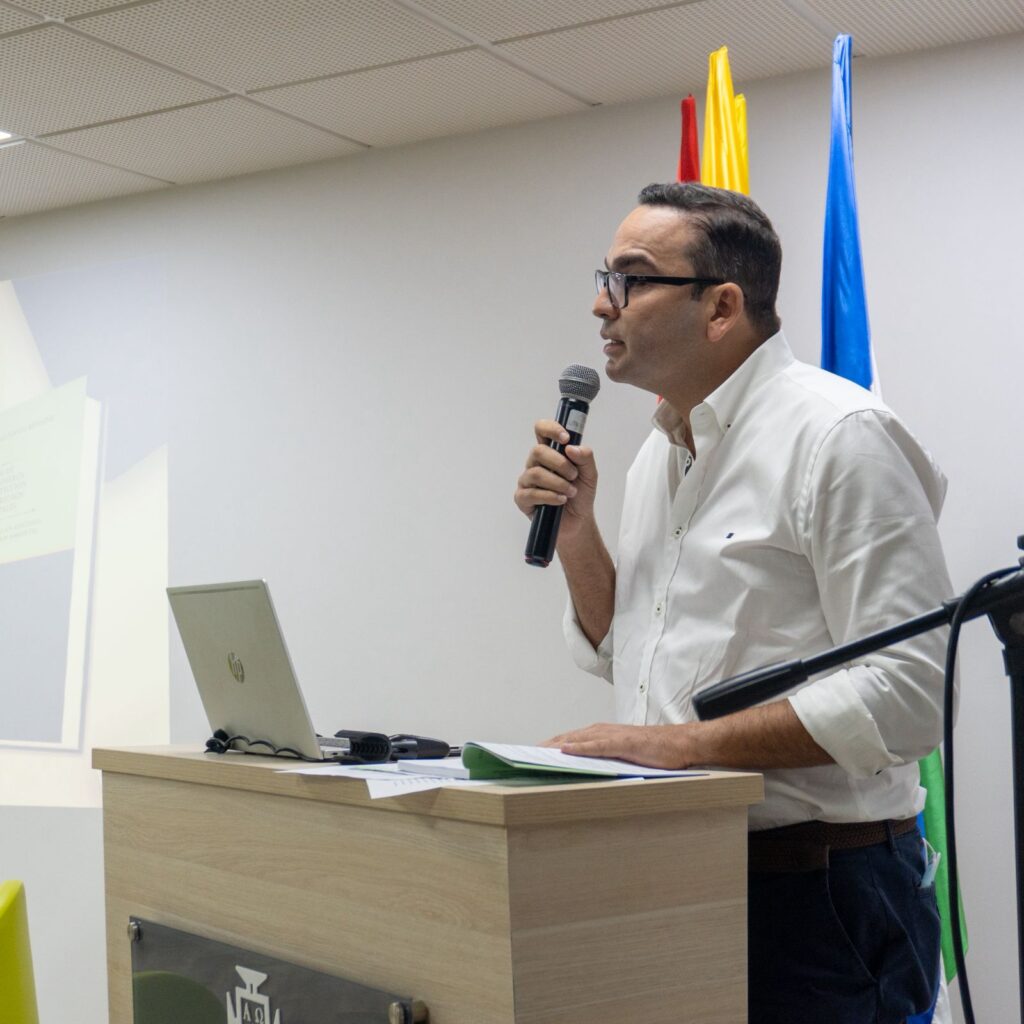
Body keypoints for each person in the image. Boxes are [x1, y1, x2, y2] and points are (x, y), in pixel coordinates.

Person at [513, 182, 949, 1024]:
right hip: (681, 868)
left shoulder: (838, 436)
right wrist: (576, 535)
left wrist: (680, 747)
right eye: (605, 277)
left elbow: (911, 693)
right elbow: (632, 653)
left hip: (820, 891)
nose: (602, 304)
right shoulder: (659, 452)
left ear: (720, 307)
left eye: (631, 279)